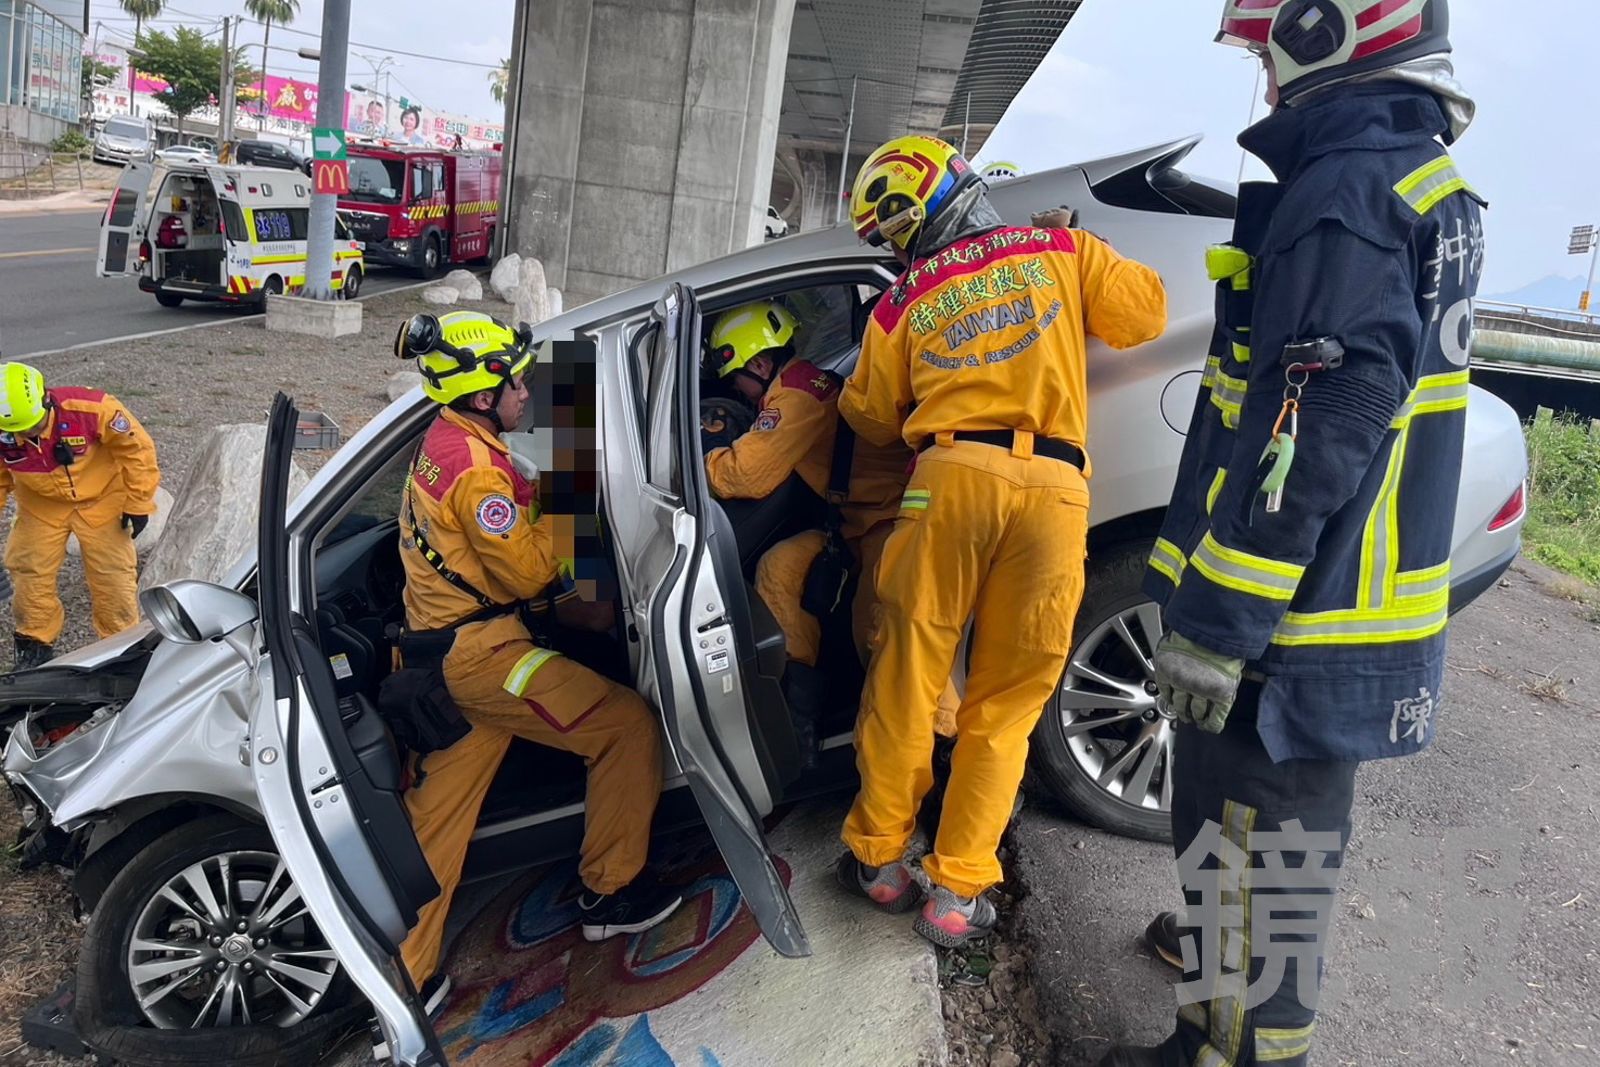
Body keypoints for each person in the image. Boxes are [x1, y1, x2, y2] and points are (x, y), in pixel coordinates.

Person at [1100, 3, 1483, 1065]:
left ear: (1331, 38)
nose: (1265, 90)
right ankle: (1236, 1010)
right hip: (1336, 613)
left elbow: (1316, 423)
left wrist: (1219, 621)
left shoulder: (1346, 193)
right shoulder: (1418, 181)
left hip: (1287, 628)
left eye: (1269, 64)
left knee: (1244, 851)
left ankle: (1227, 1047)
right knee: (1276, 862)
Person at [833, 134, 1167, 943]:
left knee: (907, 676)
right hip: (1053, 490)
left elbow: (869, 415)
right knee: (1007, 702)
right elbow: (1147, 314)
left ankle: (879, 859)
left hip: (946, 480)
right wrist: (1087, 247)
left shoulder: (902, 298)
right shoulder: (1059, 245)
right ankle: (955, 894)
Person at [392, 311, 682, 1011]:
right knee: (626, 726)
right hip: (486, 658)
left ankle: (402, 979)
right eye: (517, 380)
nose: (529, 390)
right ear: (484, 394)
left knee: (436, 827)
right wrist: (569, 511)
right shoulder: (478, 478)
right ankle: (611, 891)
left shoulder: (448, 441)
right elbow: (528, 576)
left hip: (436, 658)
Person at [701, 300, 958, 762]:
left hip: (890, 521)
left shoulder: (797, 396)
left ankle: (947, 745)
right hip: (849, 525)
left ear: (760, 363)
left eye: (734, 375)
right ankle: (799, 719)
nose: (734, 390)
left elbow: (744, 475)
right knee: (780, 569)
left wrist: (702, 456)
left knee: (880, 627)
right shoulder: (793, 388)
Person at [0, 361, 159, 670]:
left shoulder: (93, 409)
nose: (26, 435)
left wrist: (138, 503)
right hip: (40, 505)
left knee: (112, 575)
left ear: (46, 399)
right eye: (16, 431)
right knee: (29, 571)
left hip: (102, 500)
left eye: (32, 426)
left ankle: (122, 647)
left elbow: (137, 450)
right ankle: (34, 643)